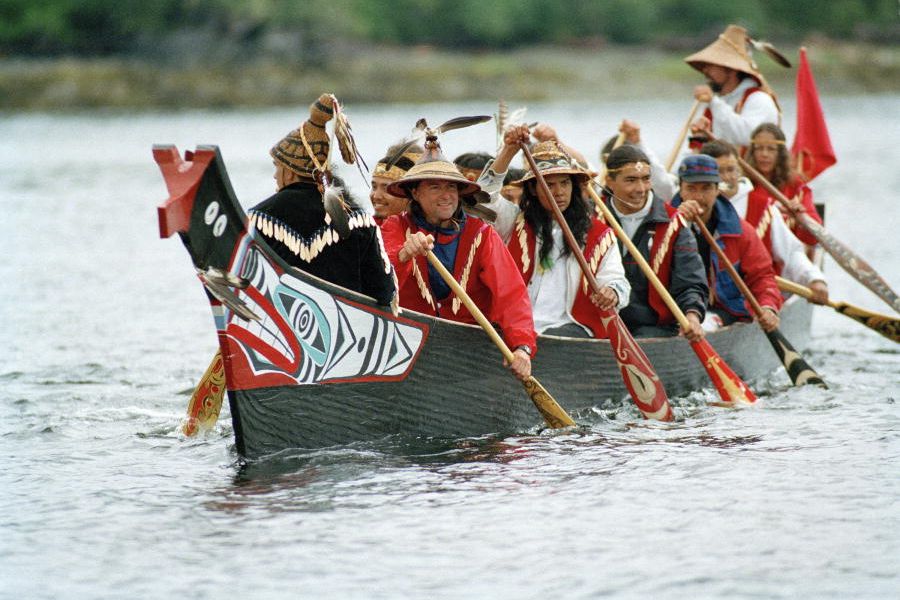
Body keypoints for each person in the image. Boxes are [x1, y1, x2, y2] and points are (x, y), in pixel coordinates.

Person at [380, 130, 536, 381]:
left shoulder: (481, 234)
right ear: (415, 193)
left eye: (451, 187)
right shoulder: (395, 227)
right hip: (412, 346)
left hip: (469, 352)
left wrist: (522, 347)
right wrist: (403, 255)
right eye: (435, 187)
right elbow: (380, 282)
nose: (447, 195)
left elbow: (511, 294)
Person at [475, 125, 630, 338]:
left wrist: (611, 292)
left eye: (565, 183)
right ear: (532, 189)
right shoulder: (513, 222)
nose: (559, 192)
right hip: (516, 323)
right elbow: (483, 197)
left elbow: (617, 281)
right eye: (549, 185)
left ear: (574, 186)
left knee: (563, 335)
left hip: (571, 326)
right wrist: (509, 150)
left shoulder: (599, 234)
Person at [249, 93, 396, 307]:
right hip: (347, 335)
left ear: (290, 172)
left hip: (281, 327)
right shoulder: (359, 218)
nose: (274, 175)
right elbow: (384, 292)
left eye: (277, 167)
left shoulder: (258, 217)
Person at [701, 139, 829, 304]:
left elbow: (791, 253)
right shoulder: (692, 207)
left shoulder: (764, 208)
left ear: (739, 170)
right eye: (719, 171)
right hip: (707, 299)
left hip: (756, 299)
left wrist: (815, 279)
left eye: (731, 170)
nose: (726, 177)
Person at [599, 145, 708, 340]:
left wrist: (692, 316)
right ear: (609, 181)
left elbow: (690, 282)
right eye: (631, 180)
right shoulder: (592, 219)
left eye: (645, 179)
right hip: (599, 323)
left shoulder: (674, 224)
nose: (640, 189)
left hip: (654, 327)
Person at [672, 154, 783, 331]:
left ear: (718, 190)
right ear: (680, 190)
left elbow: (762, 276)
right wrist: (676, 223)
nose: (699, 197)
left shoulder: (741, 231)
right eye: (691, 188)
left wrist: (768, 306)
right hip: (674, 313)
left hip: (725, 311)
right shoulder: (664, 226)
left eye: (706, 188)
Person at [684, 24, 783, 148]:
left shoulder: (759, 99)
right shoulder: (719, 104)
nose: (705, 71)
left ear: (731, 69)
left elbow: (747, 136)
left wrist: (714, 102)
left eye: (711, 65)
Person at [745, 123, 824, 249]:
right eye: (759, 148)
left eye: (771, 149)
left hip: (786, 259)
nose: (764, 154)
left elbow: (813, 238)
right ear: (752, 152)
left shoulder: (796, 186)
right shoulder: (743, 185)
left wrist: (801, 219)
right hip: (751, 256)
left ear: (780, 154)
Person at [369, 142, 423, 225]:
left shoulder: (438, 231)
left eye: (386, 189)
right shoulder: (362, 231)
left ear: (413, 193)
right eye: (374, 187)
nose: (376, 196)